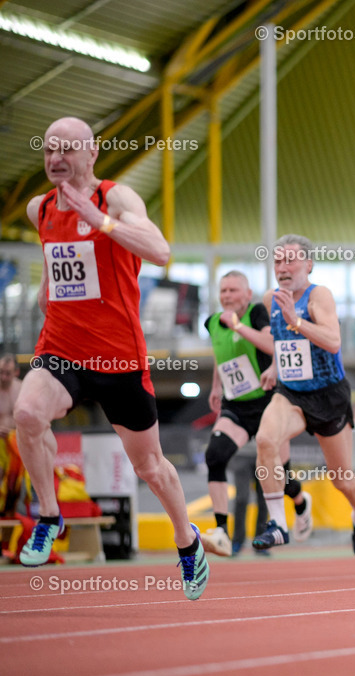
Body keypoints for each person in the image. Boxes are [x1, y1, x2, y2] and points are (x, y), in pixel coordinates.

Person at [13, 117, 208, 598]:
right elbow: (57, 266)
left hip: (119, 357)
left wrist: (100, 221)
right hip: (61, 348)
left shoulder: (114, 200)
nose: (55, 159)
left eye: (66, 150)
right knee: (27, 413)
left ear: (92, 154)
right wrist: (47, 292)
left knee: (150, 467)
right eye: (48, 151)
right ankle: (50, 516)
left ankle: (188, 542)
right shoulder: (39, 209)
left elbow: (161, 251)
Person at [252, 235, 355, 555]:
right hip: (291, 394)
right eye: (277, 261)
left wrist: (297, 320)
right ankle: (278, 524)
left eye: (290, 260)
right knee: (265, 440)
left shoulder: (319, 297)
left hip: (328, 396)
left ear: (308, 264)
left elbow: (333, 342)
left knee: (342, 480)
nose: (283, 267)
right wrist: (276, 365)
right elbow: (282, 340)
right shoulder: (270, 299)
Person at [199, 271, 312, 556]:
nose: (227, 296)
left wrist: (237, 326)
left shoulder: (257, 313)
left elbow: (270, 345)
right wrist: (215, 386)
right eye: (223, 291)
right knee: (215, 455)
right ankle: (222, 531)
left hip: (268, 404)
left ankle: (300, 503)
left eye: (233, 290)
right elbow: (220, 353)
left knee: (281, 478)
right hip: (235, 405)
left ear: (247, 295)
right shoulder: (213, 322)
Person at [1, 354, 26, 514]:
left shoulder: (23, 388)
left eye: (7, 373)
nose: (3, 377)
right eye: (0, 372)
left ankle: (19, 521)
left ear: (16, 372)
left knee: (18, 485)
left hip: (17, 444)